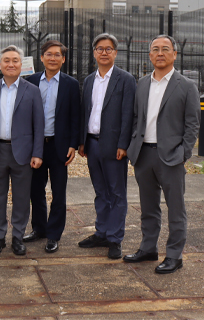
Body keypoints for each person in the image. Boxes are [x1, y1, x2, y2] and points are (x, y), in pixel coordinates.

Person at [124, 35, 200, 274]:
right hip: (144, 155)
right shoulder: (142, 83)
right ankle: (148, 249)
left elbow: (193, 125)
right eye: (155, 49)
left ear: (174, 54)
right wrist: (133, 144)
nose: (160, 53)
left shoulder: (187, 86)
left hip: (171, 157)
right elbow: (137, 118)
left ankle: (175, 255)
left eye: (165, 49)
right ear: (149, 55)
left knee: (176, 209)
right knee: (148, 207)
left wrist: (184, 153)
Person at [0, 45, 44, 256]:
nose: (11, 64)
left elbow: (39, 124)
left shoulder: (32, 91)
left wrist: (37, 153)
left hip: (23, 153)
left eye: (15, 60)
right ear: (0, 64)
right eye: (6, 60)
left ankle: (18, 237)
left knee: (22, 197)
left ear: (21, 64)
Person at [78, 33, 136, 259]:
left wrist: (124, 144)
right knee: (100, 192)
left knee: (117, 193)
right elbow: (86, 111)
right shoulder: (90, 80)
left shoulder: (126, 79)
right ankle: (101, 232)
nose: (104, 52)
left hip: (114, 147)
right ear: (94, 53)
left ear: (115, 53)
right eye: (100, 48)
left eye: (108, 48)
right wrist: (82, 141)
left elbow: (128, 114)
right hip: (92, 145)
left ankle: (114, 238)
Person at [24, 40, 80, 253]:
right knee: (35, 190)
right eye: (49, 54)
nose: (53, 58)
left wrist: (73, 144)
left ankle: (54, 235)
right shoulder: (31, 81)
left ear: (63, 59)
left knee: (58, 192)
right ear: (42, 57)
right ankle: (39, 228)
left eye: (57, 55)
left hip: (59, 146)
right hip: (36, 146)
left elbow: (76, 116)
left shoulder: (71, 84)